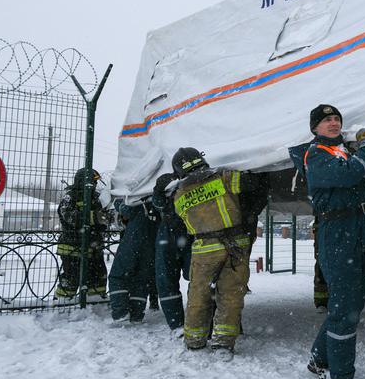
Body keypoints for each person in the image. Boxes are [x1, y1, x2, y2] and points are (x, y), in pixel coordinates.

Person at [297, 104, 365, 379]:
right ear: (315, 128)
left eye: (337, 118)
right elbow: (351, 175)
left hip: (362, 229)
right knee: (345, 306)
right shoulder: (316, 155)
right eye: (327, 120)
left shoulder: (348, 153)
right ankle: (340, 376)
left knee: (351, 305)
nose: (334, 123)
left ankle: (319, 358)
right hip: (338, 233)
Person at [171, 147, 260, 356]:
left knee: (198, 296)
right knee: (230, 295)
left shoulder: (179, 194)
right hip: (234, 246)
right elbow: (252, 184)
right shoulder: (224, 177)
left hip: (203, 250)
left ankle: (193, 339)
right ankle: (223, 343)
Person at [55, 168, 108, 299]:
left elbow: (104, 218)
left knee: (98, 277)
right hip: (72, 247)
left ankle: (95, 303)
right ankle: (63, 304)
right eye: (92, 182)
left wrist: (104, 219)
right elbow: (69, 216)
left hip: (94, 248)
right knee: (71, 279)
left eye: (96, 182)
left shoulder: (96, 197)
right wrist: (94, 217)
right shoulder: (70, 197)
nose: (95, 185)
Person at [151, 172, 193, 334]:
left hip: (188, 232)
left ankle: (198, 320)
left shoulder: (194, 181)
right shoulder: (167, 184)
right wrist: (159, 189)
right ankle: (177, 325)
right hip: (171, 233)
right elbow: (158, 203)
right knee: (166, 279)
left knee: (198, 280)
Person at [108, 197, 158, 322]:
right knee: (141, 280)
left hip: (132, 243)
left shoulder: (135, 199)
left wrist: (116, 201)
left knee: (117, 275)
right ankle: (137, 314)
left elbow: (127, 209)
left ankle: (120, 312)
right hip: (151, 246)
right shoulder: (156, 203)